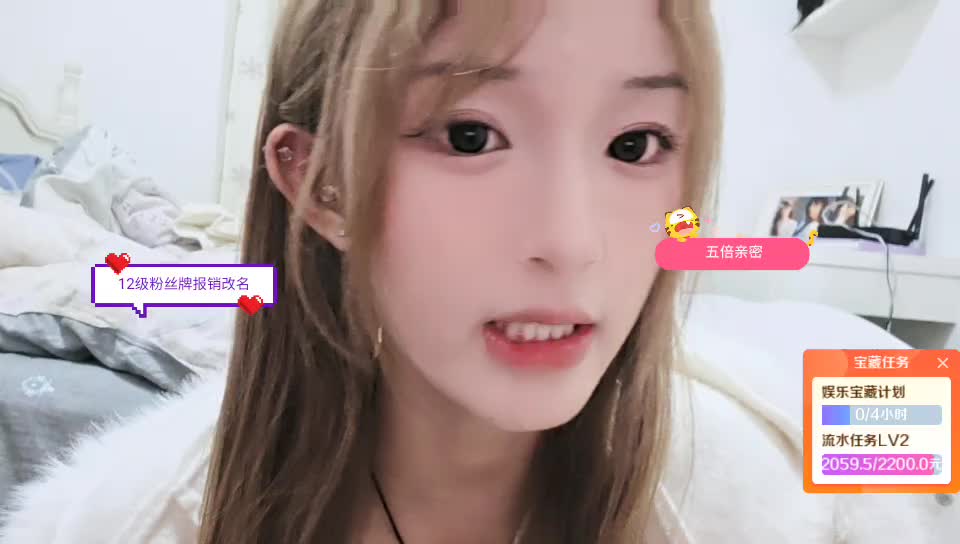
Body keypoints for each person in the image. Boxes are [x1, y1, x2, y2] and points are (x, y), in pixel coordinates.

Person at [0, 0, 722, 542]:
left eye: (635, 144)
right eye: (470, 136)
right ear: (321, 185)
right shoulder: (136, 521)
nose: (572, 244)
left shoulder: (743, 500)